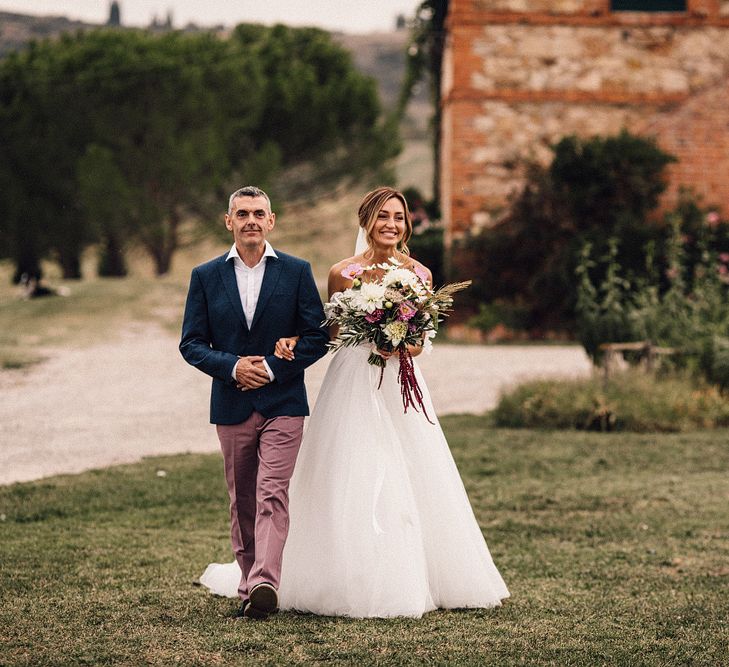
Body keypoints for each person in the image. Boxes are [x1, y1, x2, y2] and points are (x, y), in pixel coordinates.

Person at [198, 186, 509, 618]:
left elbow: (422, 340)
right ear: (366, 221)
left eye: (399, 217)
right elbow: (324, 335)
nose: (391, 225)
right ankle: (303, 574)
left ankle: (413, 575)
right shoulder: (341, 273)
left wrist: (398, 344)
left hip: (399, 382)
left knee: (411, 473)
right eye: (383, 216)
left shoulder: (419, 274)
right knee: (347, 471)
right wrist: (291, 341)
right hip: (351, 383)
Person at [180, 186, 329, 620]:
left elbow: (317, 336)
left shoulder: (297, 271)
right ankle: (249, 585)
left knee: (272, 493)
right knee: (242, 498)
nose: (250, 220)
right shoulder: (205, 276)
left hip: (284, 400)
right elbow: (191, 343)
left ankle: (265, 579)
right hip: (231, 404)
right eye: (241, 213)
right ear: (228, 222)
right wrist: (231, 367)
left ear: (271, 220)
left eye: (258, 213)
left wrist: (270, 367)